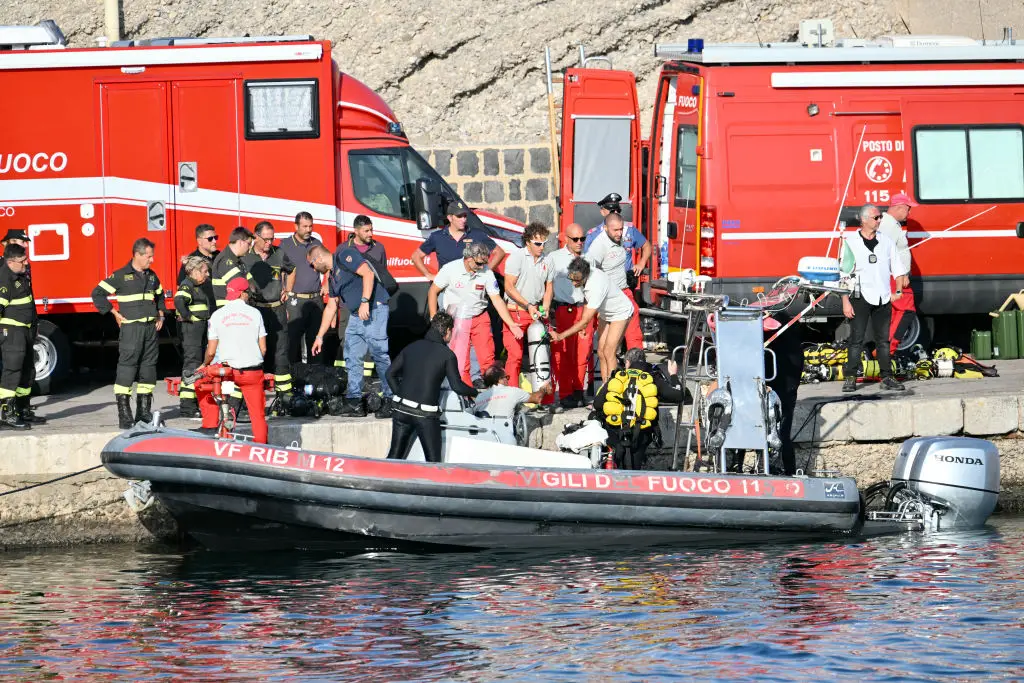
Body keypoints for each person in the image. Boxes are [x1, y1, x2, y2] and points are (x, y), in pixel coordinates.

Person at [308, 239, 393, 418]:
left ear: (318, 259)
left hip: (374, 308)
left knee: (379, 354)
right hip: (356, 316)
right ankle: (354, 401)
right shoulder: (331, 278)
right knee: (352, 356)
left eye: (312, 265)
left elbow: (368, 274)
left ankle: (390, 399)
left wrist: (365, 302)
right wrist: (319, 336)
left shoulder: (344, 254)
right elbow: (331, 307)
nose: (313, 270)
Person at [92, 237, 166, 429]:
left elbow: (159, 295)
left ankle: (143, 413)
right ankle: (124, 414)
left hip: (150, 329)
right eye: (149, 257)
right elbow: (97, 293)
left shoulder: (152, 276)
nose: (152, 260)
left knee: (148, 369)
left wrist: (161, 315)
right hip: (131, 329)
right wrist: (114, 312)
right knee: (127, 368)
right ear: (137, 255)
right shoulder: (120, 275)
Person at [385, 312, 478, 462]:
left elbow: (389, 374)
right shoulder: (447, 355)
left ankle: (382, 480)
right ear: (447, 331)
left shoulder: (411, 347)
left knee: (395, 456)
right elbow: (457, 387)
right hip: (425, 415)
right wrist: (475, 392)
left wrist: (400, 395)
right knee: (433, 461)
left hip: (400, 409)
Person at [427, 242, 523, 385]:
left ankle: (496, 395)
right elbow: (433, 291)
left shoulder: (486, 272)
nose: (482, 267)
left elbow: (497, 300)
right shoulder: (450, 269)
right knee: (460, 361)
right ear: (468, 258)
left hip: (479, 317)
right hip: (457, 320)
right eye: (479, 263)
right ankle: (466, 397)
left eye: (484, 263)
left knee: (488, 359)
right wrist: (434, 319)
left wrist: (511, 324)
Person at [840, 204, 908, 393]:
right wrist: (845, 301)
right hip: (859, 295)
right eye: (876, 217)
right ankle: (851, 378)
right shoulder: (850, 241)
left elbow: (898, 268)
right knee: (856, 339)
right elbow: (843, 274)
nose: (879, 220)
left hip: (883, 297)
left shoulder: (886, 241)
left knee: (883, 341)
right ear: (863, 220)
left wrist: (899, 292)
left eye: (879, 217)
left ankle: (886, 377)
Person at [194, 277, 269, 443]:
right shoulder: (255, 314)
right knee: (258, 415)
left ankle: (211, 426)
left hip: (226, 373)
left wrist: (204, 365)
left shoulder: (217, 315)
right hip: (252, 372)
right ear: (244, 293)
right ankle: (262, 448)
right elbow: (263, 348)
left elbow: (211, 352)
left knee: (199, 381)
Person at [549, 257, 633, 391]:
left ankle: (613, 391)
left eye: (577, 280)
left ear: (585, 276)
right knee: (600, 351)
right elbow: (588, 306)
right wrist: (583, 323)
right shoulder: (586, 273)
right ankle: (605, 388)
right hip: (606, 312)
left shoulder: (595, 287)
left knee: (609, 351)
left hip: (621, 312)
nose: (574, 283)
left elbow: (584, 322)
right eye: (571, 278)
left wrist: (560, 336)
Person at [594, 348, 685, 469]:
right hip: (641, 433)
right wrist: (673, 375)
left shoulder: (617, 378)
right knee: (635, 468)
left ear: (627, 363)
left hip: (616, 432)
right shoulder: (652, 379)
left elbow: (597, 405)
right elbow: (678, 396)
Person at [331, 215, 388, 391]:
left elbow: (382, 275)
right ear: (356, 231)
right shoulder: (343, 249)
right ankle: (349, 382)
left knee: (374, 345)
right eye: (366, 230)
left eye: (371, 229)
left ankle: (369, 382)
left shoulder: (378, 248)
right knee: (348, 344)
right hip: (351, 306)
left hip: (373, 305)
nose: (371, 233)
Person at [241, 221, 293, 409]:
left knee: (281, 352)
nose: (270, 243)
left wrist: (288, 289)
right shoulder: (245, 257)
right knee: (255, 353)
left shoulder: (278, 254)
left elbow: (292, 270)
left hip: (277, 309)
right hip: (256, 310)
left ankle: (284, 396)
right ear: (256, 237)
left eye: (272, 239)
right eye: (266, 239)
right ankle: (254, 396)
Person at [502, 221, 553, 390]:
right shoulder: (516, 257)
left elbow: (549, 288)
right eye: (538, 243)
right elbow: (508, 287)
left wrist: (545, 307)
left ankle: (545, 399)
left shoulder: (548, 260)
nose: (541, 247)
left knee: (542, 355)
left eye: (544, 243)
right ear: (528, 242)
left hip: (536, 312)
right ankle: (512, 397)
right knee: (515, 356)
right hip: (515, 312)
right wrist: (528, 305)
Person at [549, 222, 593, 409]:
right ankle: (566, 392)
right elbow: (547, 284)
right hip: (564, 309)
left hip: (584, 308)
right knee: (564, 352)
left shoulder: (589, 257)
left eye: (582, 239)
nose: (579, 242)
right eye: (575, 239)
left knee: (583, 353)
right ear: (565, 239)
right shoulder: (554, 258)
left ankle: (578, 389)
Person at [584, 212, 644, 349]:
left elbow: (646, 245)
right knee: (606, 349)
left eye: (621, 229)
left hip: (624, 291)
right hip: (609, 297)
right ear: (605, 228)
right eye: (615, 230)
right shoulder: (599, 245)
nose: (619, 233)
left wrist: (641, 263)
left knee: (634, 335)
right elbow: (588, 271)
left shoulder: (619, 239)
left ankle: (636, 367)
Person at [411, 197, 504, 278]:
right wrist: (428, 275)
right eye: (459, 216)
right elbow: (416, 256)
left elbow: (499, 252)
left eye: (465, 216)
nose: (463, 220)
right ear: (450, 218)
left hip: (470, 289)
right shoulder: (437, 237)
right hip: (446, 289)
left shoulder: (477, 234)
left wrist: (485, 273)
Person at [0, 243, 40, 429]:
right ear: (10, 262)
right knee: (13, 371)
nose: (26, 263)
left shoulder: (21, 274)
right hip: (13, 331)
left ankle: (23, 410)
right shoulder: (4, 279)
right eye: (22, 260)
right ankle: (6, 413)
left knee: (27, 370)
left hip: (26, 329)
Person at [280, 211, 327, 365]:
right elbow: (279, 271)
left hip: (315, 300)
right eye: (305, 226)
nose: (308, 230)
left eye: (310, 226)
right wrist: (283, 294)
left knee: (316, 340)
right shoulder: (285, 245)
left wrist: (326, 283)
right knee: (293, 342)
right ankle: (296, 376)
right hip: (294, 301)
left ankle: (316, 377)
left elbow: (330, 264)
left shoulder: (316, 243)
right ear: (296, 226)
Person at [174, 256, 213, 418]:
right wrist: (187, 316)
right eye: (204, 271)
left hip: (200, 329)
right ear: (194, 271)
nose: (207, 275)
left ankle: (194, 402)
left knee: (198, 365)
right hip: (192, 331)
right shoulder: (187, 284)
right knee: (192, 364)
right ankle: (187, 405)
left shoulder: (197, 286)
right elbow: (178, 300)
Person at [878, 193, 917, 354]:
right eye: (908, 209)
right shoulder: (889, 225)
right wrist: (902, 275)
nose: (909, 213)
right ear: (900, 207)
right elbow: (887, 254)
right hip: (895, 277)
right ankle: (888, 352)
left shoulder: (888, 223)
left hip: (892, 276)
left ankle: (882, 352)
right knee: (906, 310)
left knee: (895, 314)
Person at [584, 193, 652, 285]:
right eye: (612, 210)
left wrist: (642, 263)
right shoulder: (593, 235)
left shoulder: (629, 229)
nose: (615, 212)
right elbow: (587, 263)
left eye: (618, 210)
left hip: (626, 283)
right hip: (604, 284)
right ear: (602, 212)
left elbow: (646, 245)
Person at [474, 364, 552, 418]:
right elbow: (537, 398)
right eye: (507, 377)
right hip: (505, 435)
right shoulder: (512, 391)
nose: (508, 380)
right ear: (500, 379)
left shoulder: (479, 397)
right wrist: (543, 388)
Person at [210, 227, 254, 308]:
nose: (250, 247)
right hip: (229, 312)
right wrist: (250, 291)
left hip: (236, 309)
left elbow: (252, 284)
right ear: (241, 242)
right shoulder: (225, 261)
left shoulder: (238, 261)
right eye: (249, 243)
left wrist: (251, 290)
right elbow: (242, 286)